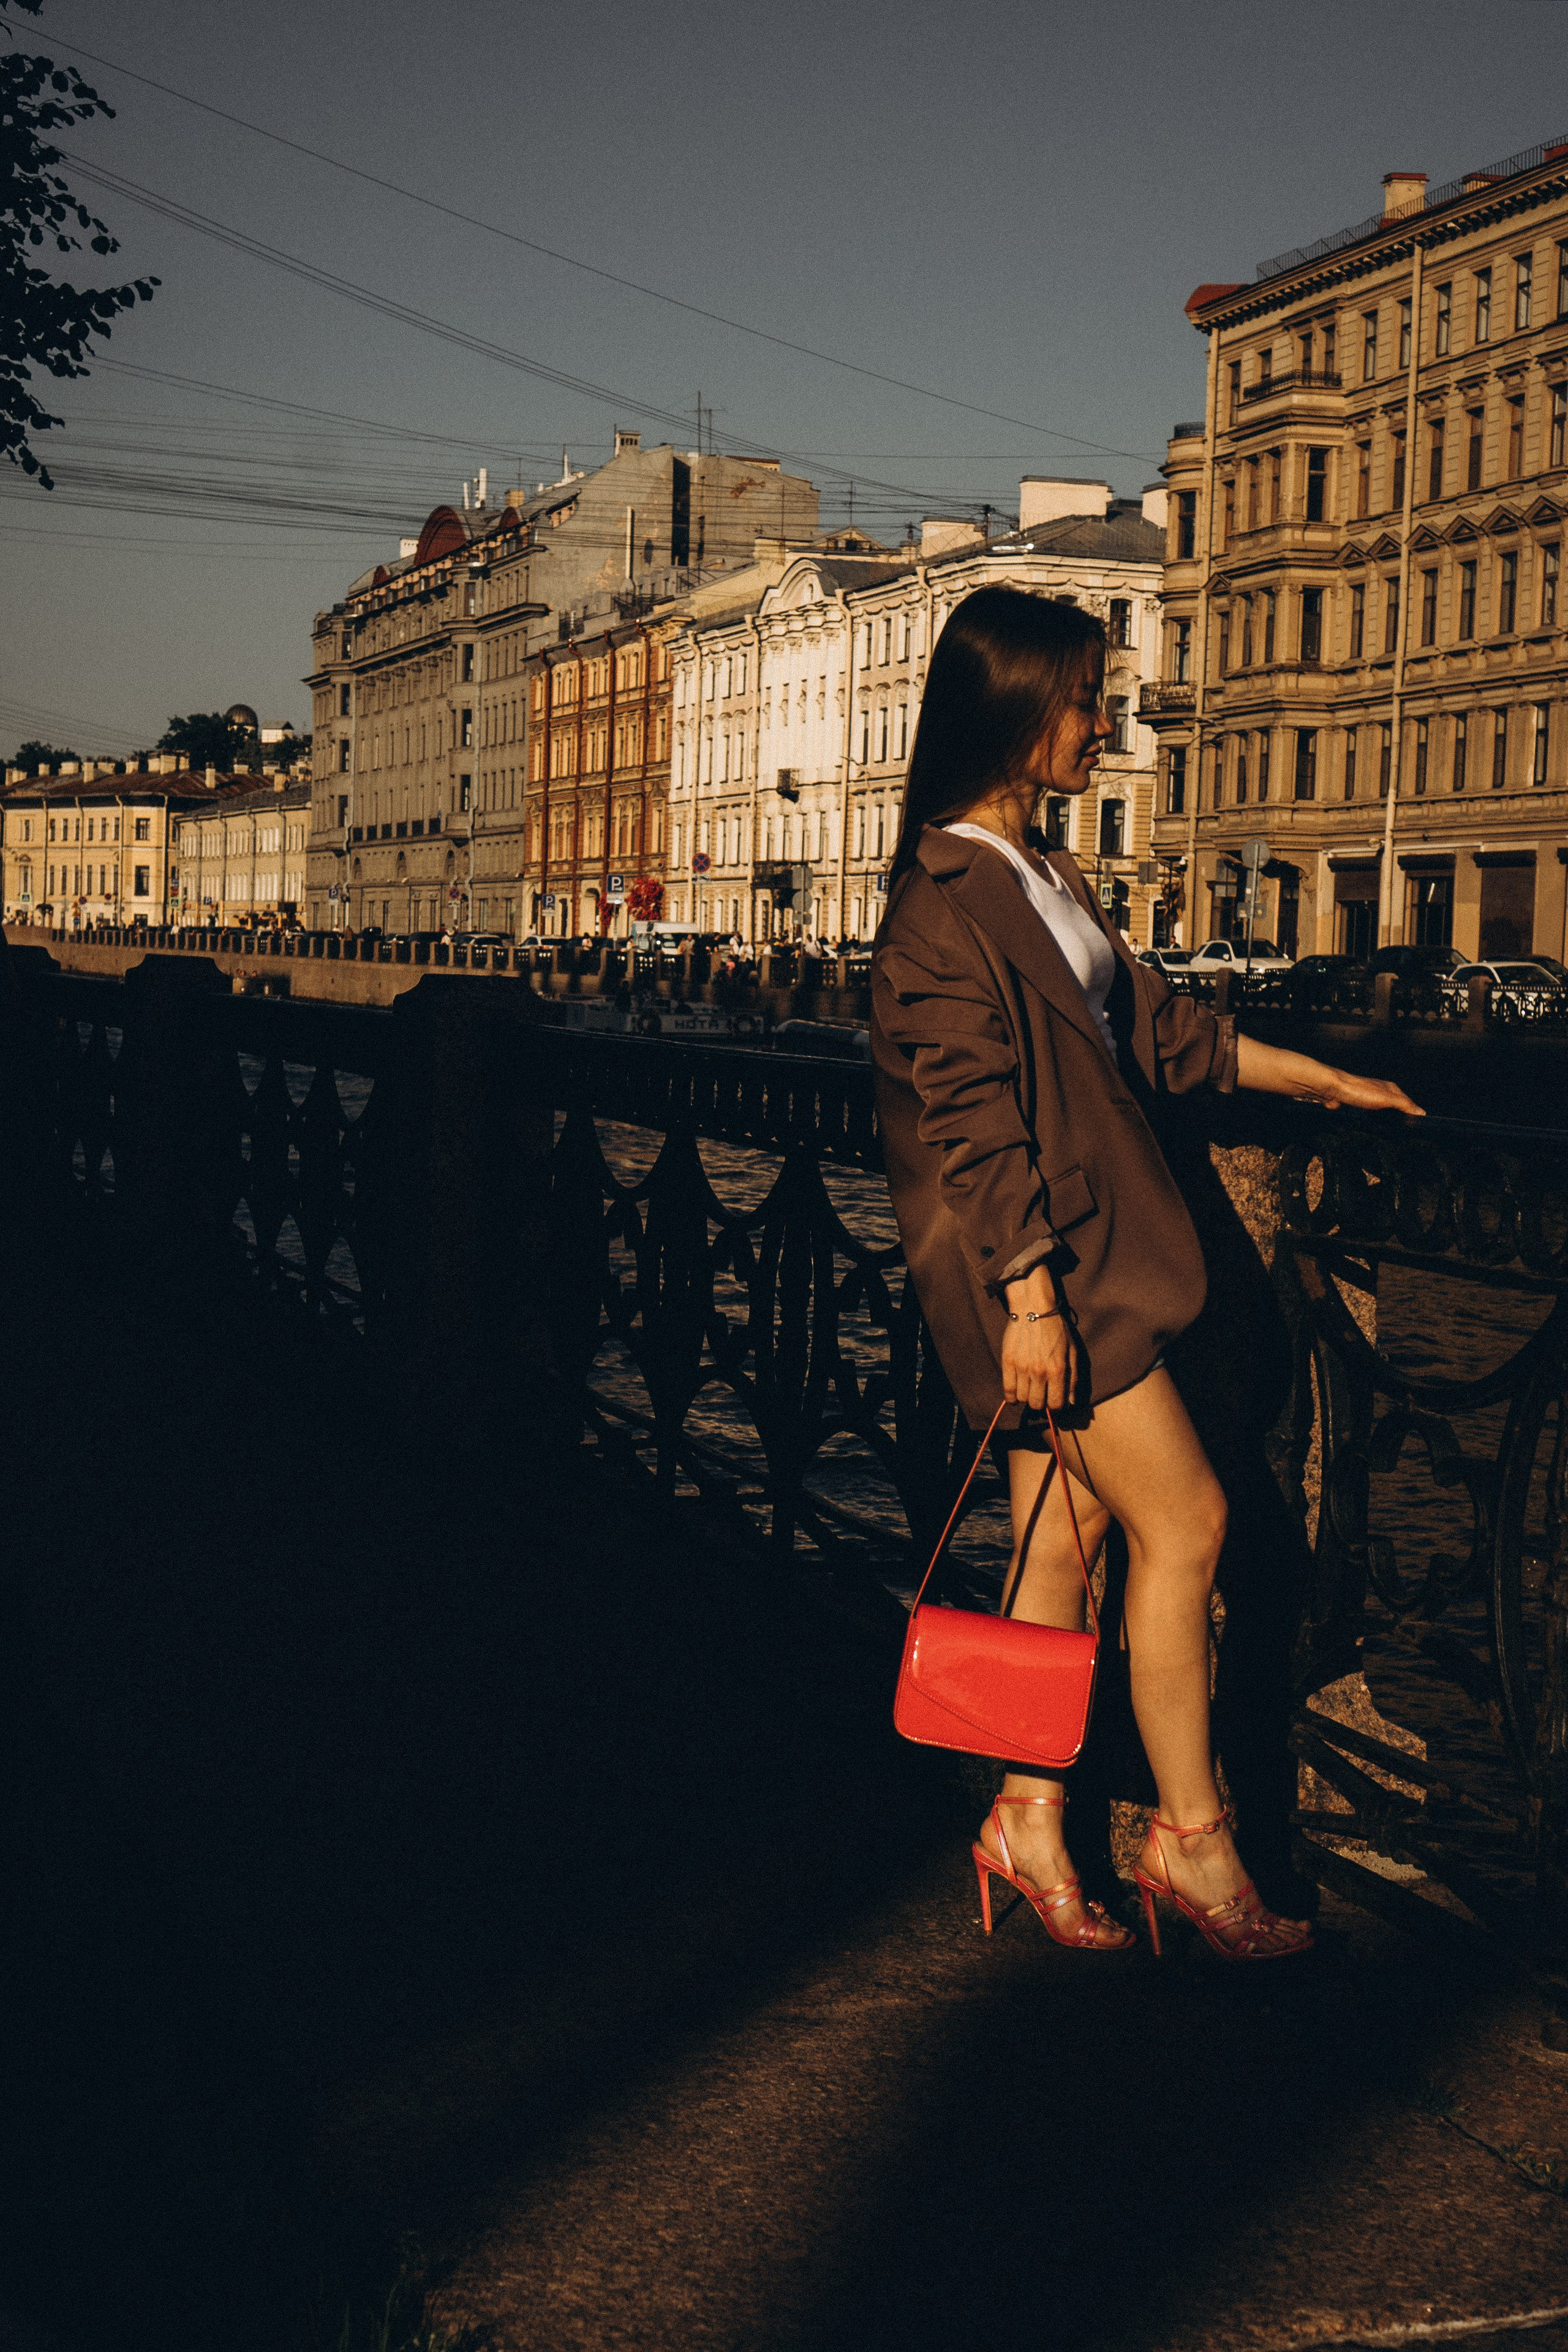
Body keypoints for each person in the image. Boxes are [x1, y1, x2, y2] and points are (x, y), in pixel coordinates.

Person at [871, 587, 1420, 1961]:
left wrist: (1320, 1077)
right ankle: (1192, 1841)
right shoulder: (943, 895)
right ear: (1008, 710)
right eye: (1080, 699)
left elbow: (1165, 1038)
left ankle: (1027, 1821)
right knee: (1189, 1528)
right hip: (1056, 1283)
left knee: (1064, 1541)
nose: (1101, 722)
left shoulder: (1041, 873)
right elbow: (970, 1114)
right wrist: (1031, 1299)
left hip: (1088, 1265)